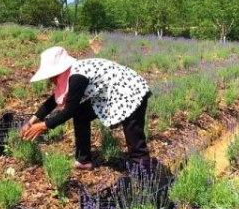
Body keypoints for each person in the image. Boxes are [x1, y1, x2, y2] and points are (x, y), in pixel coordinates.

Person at [21, 46, 152, 170]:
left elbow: (68, 111)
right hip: (112, 91)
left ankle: (143, 173)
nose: (49, 79)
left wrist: (43, 125)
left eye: (51, 75)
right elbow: (52, 101)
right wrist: (32, 121)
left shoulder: (77, 77)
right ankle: (83, 160)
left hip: (131, 90)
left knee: (133, 132)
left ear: (59, 71)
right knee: (81, 113)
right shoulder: (69, 74)